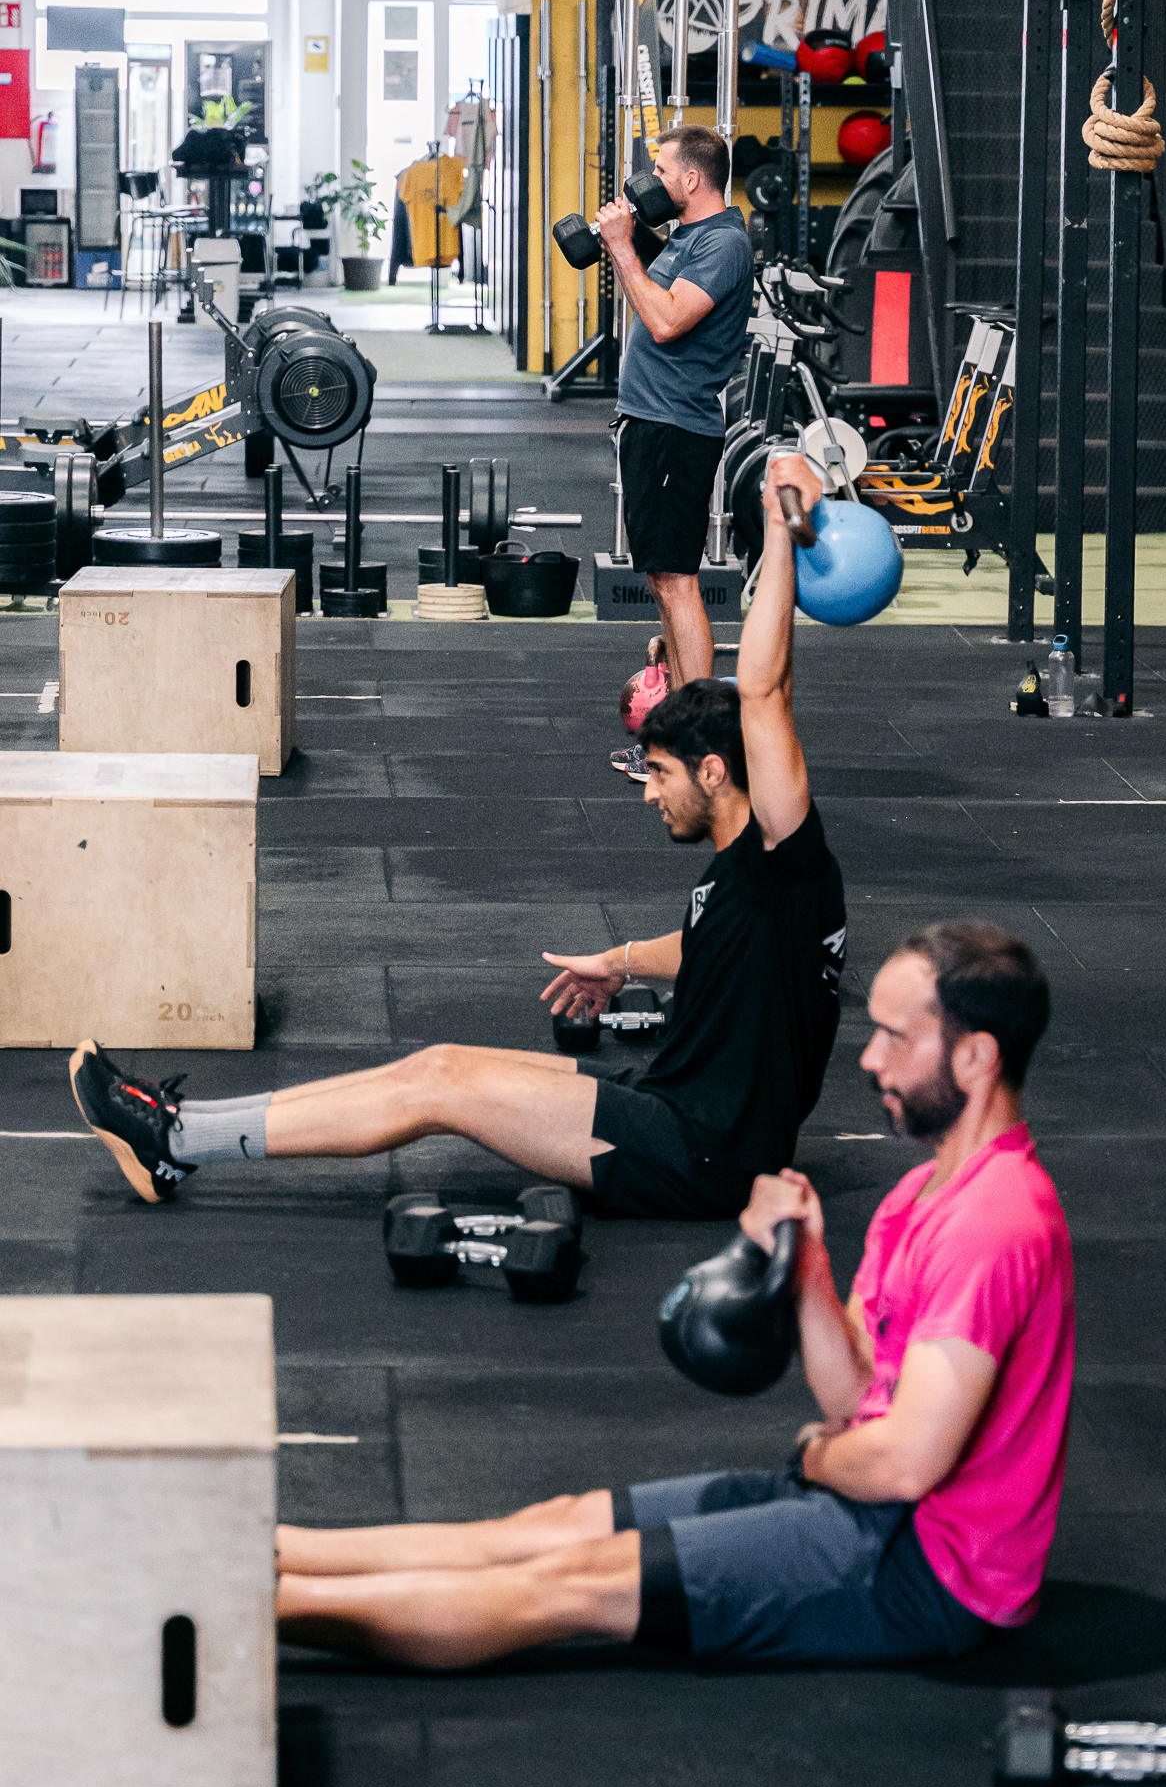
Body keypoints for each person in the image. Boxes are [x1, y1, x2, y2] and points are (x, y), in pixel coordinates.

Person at [69, 455, 845, 1225]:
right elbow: (716, 944)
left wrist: (778, 533)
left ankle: (174, 1140)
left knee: (439, 1089)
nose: (647, 792)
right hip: (673, 1110)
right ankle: (181, 1131)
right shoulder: (760, 883)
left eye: (661, 774)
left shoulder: (785, 855)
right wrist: (617, 961)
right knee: (436, 1066)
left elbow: (765, 690)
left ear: (714, 772)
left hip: (701, 1154)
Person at [274, 924, 1074, 1671]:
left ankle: (241, 1606)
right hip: (860, 1499)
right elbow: (855, 1401)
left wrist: (816, 1460)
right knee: (550, 1528)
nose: (870, 1060)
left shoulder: (993, 1223)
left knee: (570, 1584)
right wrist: (805, 1270)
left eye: (896, 1038)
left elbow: (900, 1465)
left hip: (926, 1569)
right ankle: (267, 1547)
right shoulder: (920, 1195)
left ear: (975, 1057)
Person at [600, 124, 755, 781]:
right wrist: (628, 243)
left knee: (679, 581)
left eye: (662, 170)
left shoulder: (723, 243)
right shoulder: (688, 239)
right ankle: (684, 733)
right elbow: (653, 299)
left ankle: (696, 744)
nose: (653, 180)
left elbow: (664, 322)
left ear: (692, 179)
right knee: (663, 577)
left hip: (676, 428)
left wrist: (623, 249)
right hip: (650, 423)